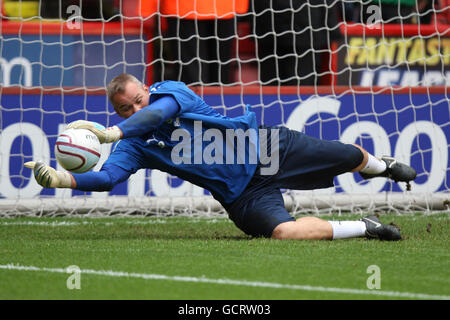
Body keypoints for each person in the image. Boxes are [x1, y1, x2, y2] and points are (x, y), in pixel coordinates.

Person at [25, 73, 417, 241]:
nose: (134, 109)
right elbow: (108, 178)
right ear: (118, 113)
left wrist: (112, 132)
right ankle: (366, 228)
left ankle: (381, 167)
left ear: (147, 90)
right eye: (125, 109)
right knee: (285, 233)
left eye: (137, 100)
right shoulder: (133, 145)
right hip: (240, 196)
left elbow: (157, 115)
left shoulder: (170, 93)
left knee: (350, 155)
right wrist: (62, 180)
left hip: (265, 149)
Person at [252, 0, 342, 86]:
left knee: (272, 86)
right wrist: (332, 28)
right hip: (304, 29)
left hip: (271, 27)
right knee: (300, 86)